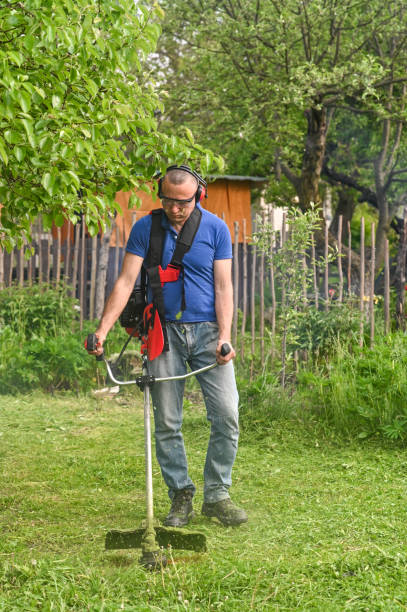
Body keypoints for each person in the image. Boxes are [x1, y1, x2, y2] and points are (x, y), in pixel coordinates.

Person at [91, 165, 247, 527]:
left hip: (209, 333)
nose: (176, 208)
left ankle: (218, 495)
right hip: (163, 333)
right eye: (169, 201)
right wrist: (102, 331)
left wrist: (225, 335)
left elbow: (224, 286)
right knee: (168, 421)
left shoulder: (216, 229)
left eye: (184, 202)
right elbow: (126, 281)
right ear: (161, 197)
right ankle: (180, 495)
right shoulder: (146, 228)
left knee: (227, 414)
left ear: (199, 196)